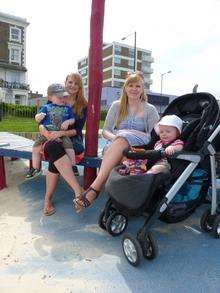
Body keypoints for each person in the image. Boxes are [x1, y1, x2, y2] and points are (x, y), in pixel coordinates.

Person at [74, 71, 159, 212]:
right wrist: (117, 139)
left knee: (124, 143)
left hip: (140, 143)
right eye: (130, 85)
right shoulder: (116, 105)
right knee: (124, 156)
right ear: (125, 88)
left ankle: (94, 189)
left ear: (142, 89)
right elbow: (106, 130)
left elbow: (153, 136)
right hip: (116, 144)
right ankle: (122, 205)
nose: (134, 89)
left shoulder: (150, 109)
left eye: (137, 86)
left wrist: (128, 135)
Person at [41, 73, 87, 216]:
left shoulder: (82, 105)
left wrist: (60, 134)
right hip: (52, 136)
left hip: (74, 140)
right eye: (70, 82)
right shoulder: (56, 99)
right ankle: (78, 190)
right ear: (65, 83)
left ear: (80, 87)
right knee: (53, 146)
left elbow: (77, 130)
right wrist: (45, 132)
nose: (72, 85)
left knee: (54, 149)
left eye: (76, 83)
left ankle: (47, 200)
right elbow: (41, 123)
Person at [26, 84, 76, 178]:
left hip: (61, 133)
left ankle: (73, 166)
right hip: (47, 132)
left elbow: (73, 119)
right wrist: (38, 117)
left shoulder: (67, 108)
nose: (62, 99)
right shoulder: (46, 107)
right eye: (59, 97)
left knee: (69, 146)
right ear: (50, 97)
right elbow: (38, 118)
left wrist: (68, 122)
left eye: (63, 96)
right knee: (36, 147)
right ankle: (36, 168)